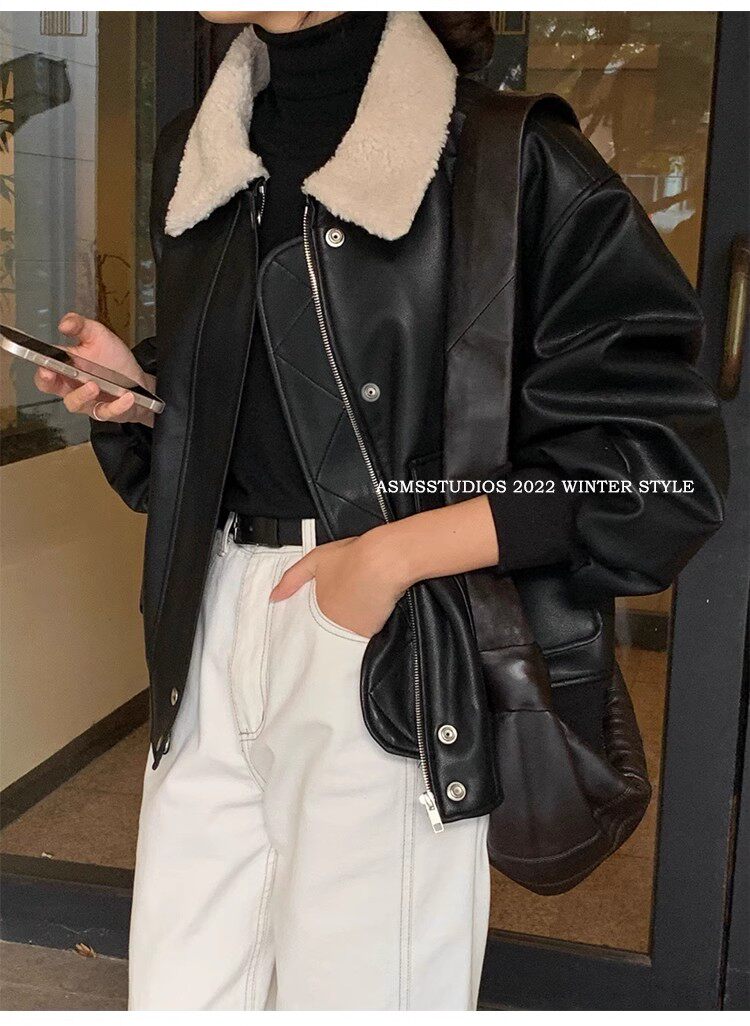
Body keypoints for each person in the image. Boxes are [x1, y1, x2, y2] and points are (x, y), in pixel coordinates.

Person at [34, 11, 727, 1011]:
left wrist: (392, 558)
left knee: (364, 989)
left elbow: (655, 469)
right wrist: (145, 395)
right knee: (184, 986)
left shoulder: (507, 155)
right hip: (209, 613)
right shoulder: (202, 153)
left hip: (390, 631)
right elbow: (278, 413)